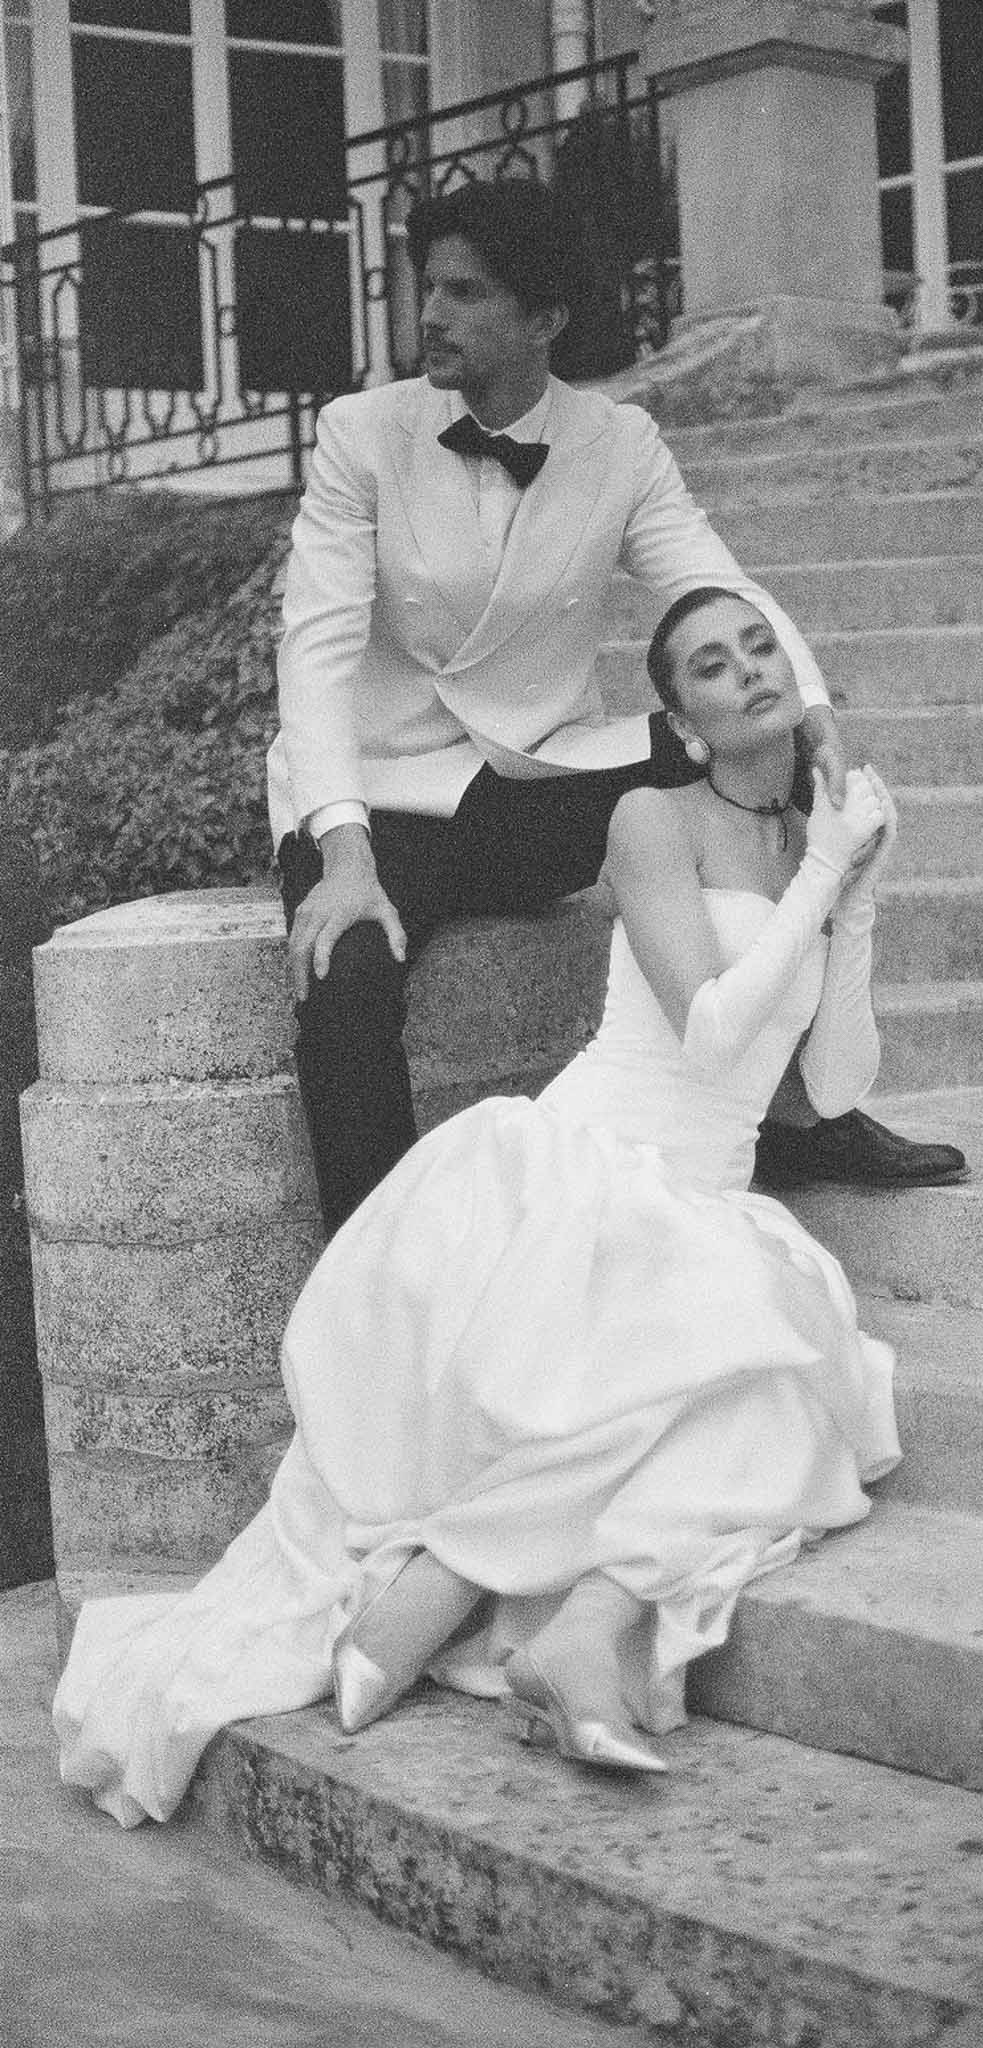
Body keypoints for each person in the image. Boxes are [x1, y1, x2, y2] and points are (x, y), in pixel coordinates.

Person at [54, 588, 907, 1815]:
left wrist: (855, 896)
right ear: (681, 716)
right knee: (715, 1369)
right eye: (711, 667)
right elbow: (715, 1038)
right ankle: (441, 1594)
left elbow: (823, 1085)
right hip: (596, 1163)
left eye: (763, 645)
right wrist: (826, 870)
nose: (749, 673)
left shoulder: (805, 846)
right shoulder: (645, 816)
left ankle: (566, 1628)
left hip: (708, 1191)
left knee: (781, 1386)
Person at [271, 177, 965, 1238]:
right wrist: (343, 854)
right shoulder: (360, 435)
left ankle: (794, 1108)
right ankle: (380, 1269)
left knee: (731, 747)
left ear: (544, 317)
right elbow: (313, 650)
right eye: (428, 287)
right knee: (345, 974)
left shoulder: (618, 444)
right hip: (382, 795)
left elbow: (716, 590)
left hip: (531, 776)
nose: (432, 315)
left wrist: (812, 714)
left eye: (465, 292)